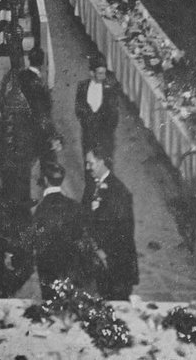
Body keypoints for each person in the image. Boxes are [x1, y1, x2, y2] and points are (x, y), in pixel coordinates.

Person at [82, 144, 138, 301]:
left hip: (116, 263)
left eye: (90, 163)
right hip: (99, 260)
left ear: (101, 163)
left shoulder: (119, 191)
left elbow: (124, 231)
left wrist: (104, 252)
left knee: (117, 304)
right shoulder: (91, 186)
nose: (87, 167)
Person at [31, 162, 84, 293]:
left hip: (48, 268)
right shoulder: (74, 206)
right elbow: (79, 235)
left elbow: (36, 239)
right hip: (71, 267)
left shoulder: (40, 209)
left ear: (45, 180)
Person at [75, 58, 118, 159]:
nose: (103, 77)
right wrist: (88, 124)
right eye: (100, 73)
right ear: (91, 73)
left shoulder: (110, 89)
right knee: (89, 165)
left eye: (104, 73)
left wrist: (104, 132)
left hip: (104, 138)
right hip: (88, 136)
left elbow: (114, 116)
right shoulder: (82, 86)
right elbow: (78, 109)